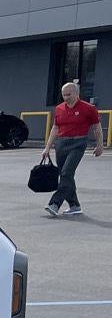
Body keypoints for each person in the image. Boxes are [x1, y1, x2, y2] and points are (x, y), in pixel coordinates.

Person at [42, 81, 104, 217]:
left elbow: (97, 127)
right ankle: (75, 206)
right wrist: (47, 147)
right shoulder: (59, 108)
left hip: (78, 143)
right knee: (66, 176)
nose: (66, 98)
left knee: (66, 173)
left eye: (69, 94)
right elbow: (55, 128)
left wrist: (100, 145)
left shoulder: (88, 108)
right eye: (63, 95)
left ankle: (54, 203)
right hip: (61, 143)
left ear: (77, 94)